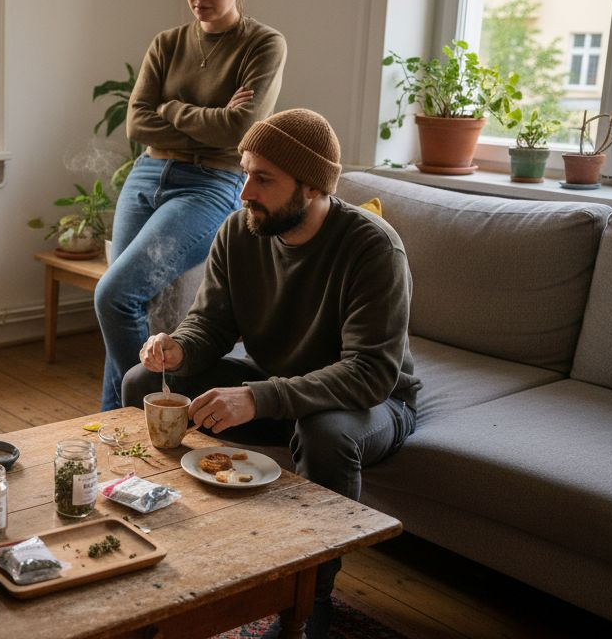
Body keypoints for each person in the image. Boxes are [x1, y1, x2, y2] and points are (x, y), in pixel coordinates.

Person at [122, 108, 420, 639]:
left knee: (324, 434)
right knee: (142, 383)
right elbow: (210, 325)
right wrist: (177, 350)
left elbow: (369, 373)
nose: (244, 193)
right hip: (279, 390)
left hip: (372, 403)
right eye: (245, 173)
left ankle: (313, 598)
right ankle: (170, 537)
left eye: (263, 179)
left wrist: (258, 398)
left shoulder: (373, 247)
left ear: (312, 187)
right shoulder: (240, 231)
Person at [94, 0, 287, 410]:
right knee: (122, 303)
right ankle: (120, 425)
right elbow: (137, 123)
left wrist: (172, 108)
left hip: (212, 185)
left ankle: (143, 414)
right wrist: (210, 117)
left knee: (113, 295)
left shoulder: (263, 45)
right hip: (146, 175)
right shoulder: (167, 43)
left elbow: (240, 131)